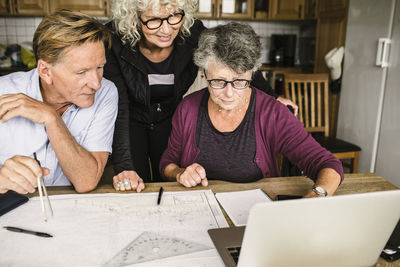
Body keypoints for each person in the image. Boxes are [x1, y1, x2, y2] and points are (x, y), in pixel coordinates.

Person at [104, 0, 298, 188]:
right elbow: (119, 104)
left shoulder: (191, 31)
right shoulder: (114, 40)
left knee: (167, 179)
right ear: (134, 18)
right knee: (136, 181)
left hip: (167, 115)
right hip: (130, 117)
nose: (166, 30)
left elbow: (233, 58)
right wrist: (125, 167)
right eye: (154, 20)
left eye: (174, 17)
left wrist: (273, 96)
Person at [159, 22, 343, 197]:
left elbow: (327, 164)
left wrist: (318, 194)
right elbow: (167, 163)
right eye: (218, 82)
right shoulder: (187, 108)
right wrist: (180, 173)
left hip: (253, 212)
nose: (229, 93)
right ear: (205, 73)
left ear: (252, 74)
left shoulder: (273, 113)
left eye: (240, 81)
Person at [0, 10, 144, 194]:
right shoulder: (3, 91)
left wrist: (51, 117)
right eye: (81, 72)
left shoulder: (107, 93)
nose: (96, 83)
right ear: (45, 71)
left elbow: (86, 181)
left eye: (100, 67)